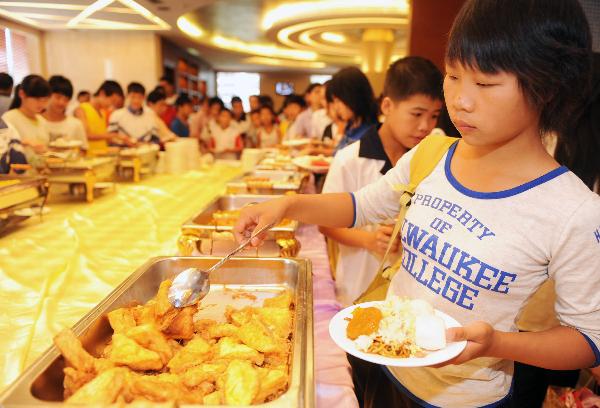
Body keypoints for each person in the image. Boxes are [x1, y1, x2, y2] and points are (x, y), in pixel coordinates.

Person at [234, 1, 600, 407]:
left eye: (485, 83)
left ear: (545, 87)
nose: (460, 100)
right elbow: (361, 206)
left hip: (466, 396)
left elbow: (587, 339)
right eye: (454, 75)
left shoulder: (574, 211)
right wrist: (288, 205)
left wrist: (498, 343)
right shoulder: (433, 154)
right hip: (387, 364)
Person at [320, 56, 444, 307]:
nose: (425, 126)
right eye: (417, 114)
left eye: (434, 116)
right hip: (359, 288)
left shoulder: (434, 156)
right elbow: (326, 224)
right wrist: (368, 239)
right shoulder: (349, 159)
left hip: (414, 298)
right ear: (387, 106)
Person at [327, 67, 379, 153]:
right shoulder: (351, 125)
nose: (336, 107)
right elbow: (337, 154)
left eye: (338, 101)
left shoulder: (369, 135)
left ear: (352, 97)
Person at [2, 75, 50, 165]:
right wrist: (26, 143)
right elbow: (3, 147)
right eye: (37, 99)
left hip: (39, 173)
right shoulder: (9, 118)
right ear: (22, 94)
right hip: (17, 175)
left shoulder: (42, 121)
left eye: (45, 100)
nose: (41, 103)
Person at [74, 80, 124, 155]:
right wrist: (113, 135)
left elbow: (101, 136)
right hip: (88, 158)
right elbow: (86, 135)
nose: (112, 105)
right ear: (102, 93)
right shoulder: (81, 109)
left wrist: (121, 140)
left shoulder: (102, 112)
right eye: (112, 100)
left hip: (101, 157)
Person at [42, 75, 88, 150]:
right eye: (58, 97)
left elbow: (84, 149)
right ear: (47, 95)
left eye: (66, 99)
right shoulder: (36, 122)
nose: (61, 102)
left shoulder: (76, 124)